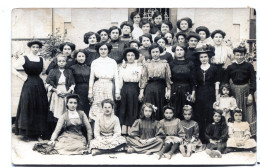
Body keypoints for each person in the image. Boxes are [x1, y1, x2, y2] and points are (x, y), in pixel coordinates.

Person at [13, 40, 48, 140]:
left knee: (40, 107)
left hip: (39, 84)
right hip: (29, 84)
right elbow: (12, 67)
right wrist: (22, 77)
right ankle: (27, 133)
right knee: (28, 106)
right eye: (34, 47)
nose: (36, 49)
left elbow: (43, 72)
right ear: (30, 48)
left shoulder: (42, 59)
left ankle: (38, 134)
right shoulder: (24, 58)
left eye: (37, 47)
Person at [224, 46, 256, 136]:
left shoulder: (249, 66)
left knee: (248, 111)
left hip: (245, 90)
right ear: (234, 55)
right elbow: (225, 81)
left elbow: (253, 81)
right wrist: (227, 94)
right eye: (237, 55)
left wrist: (251, 94)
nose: (239, 57)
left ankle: (249, 133)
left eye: (241, 55)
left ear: (244, 55)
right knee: (235, 111)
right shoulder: (230, 67)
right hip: (234, 91)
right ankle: (235, 134)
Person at [194, 45, 220, 143]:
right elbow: (194, 83)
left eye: (205, 57)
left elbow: (216, 82)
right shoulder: (197, 69)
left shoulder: (214, 68)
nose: (203, 59)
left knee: (210, 115)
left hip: (210, 92)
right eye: (201, 57)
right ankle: (201, 137)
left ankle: (210, 138)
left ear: (209, 57)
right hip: (200, 93)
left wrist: (217, 97)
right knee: (200, 115)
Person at [88, 42, 120, 122]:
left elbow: (116, 78)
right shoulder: (95, 62)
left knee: (108, 106)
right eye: (101, 49)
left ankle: (107, 128)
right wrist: (90, 92)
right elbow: (91, 78)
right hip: (98, 86)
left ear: (108, 50)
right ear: (98, 50)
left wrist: (117, 92)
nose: (103, 51)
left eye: (105, 49)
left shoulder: (112, 62)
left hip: (109, 86)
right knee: (97, 106)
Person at [139, 43, 171, 120]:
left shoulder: (165, 64)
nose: (155, 54)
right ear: (150, 53)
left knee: (160, 107)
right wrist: (141, 92)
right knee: (149, 107)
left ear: (160, 52)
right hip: (149, 88)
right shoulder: (147, 64)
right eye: (153, 52)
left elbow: (168, 78)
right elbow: (144, 78)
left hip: (161, 88)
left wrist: (168, 91)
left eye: (157, 52)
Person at [45, 54, 75, 136]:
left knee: (65, 111)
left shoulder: (69, 71)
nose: (61, 63)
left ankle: (64, 132)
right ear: (57, 62)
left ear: (66, 62)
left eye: (63, 61)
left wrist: (68, 92)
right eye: (59, 61)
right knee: (56, 111)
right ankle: (54, 132)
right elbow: (47, 83)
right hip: (56, 93)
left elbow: (72, 83)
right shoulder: (52, 71)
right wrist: (56, 91)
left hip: (66, 92)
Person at [118, 48, 142, 135]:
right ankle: (124, 130)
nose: (130, 57)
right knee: (124, 108)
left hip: (135, 88)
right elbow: (120, 79)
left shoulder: (139, 67)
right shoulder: (123, 67)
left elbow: (141, 79)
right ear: (126, 57)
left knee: (133, 108)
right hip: (125, 88)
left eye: (132, 55)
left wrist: (140, 92)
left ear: (135, 56)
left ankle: (133, 130)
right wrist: (119, 91)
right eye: (128, 55)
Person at [169, 43, 196, 119]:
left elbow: (193, 80)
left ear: (185, 51)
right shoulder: (171, 64)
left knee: (186, 110)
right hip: (175, 89)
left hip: (187, 89)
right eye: (177, 50)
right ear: (174, 52)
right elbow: (168, 79)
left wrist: (193, 93)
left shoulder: (190, 64)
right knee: (175, 109)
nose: (179, 52)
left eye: (181, 50)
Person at [70, 49, 91, 116]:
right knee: (78, 107)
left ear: (85, 57)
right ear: (76, 58)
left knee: (87, 107)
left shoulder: (89, 68)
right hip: (77, 89)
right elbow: (71, 80)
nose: (81, 58)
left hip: (88, 89)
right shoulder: (72, 68)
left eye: (83, 56)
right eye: (79, 56)